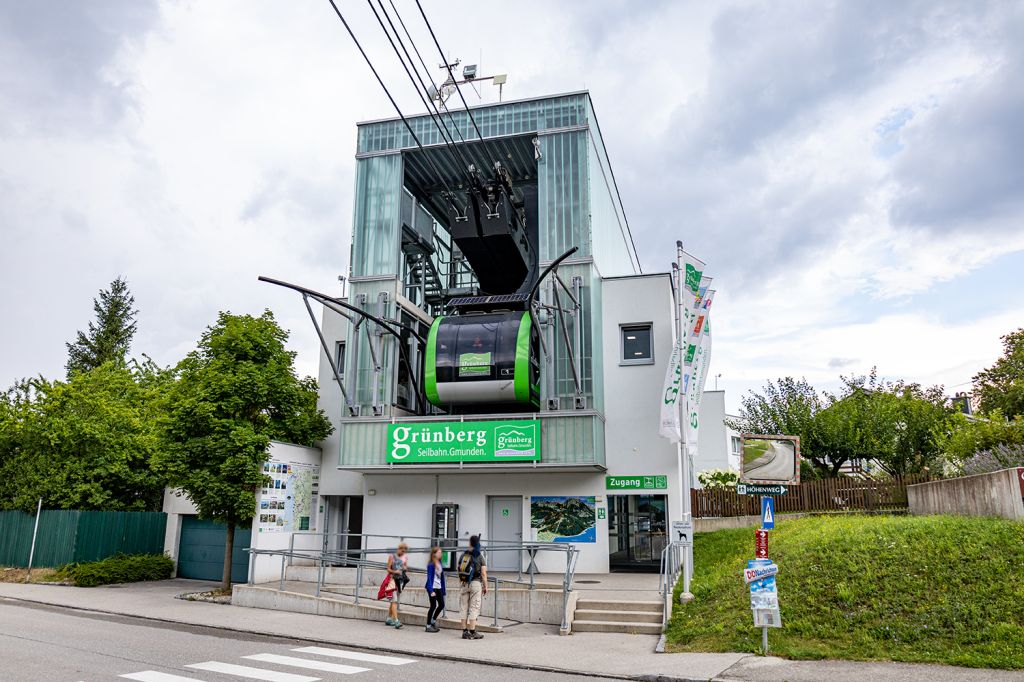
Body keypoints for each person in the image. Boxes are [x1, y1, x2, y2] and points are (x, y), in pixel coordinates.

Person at [457, 535, 487, 640]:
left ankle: (465, 632)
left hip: (464, 583)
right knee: (474, 607)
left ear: (470, 543)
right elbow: (483, 573)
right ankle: (473, 631)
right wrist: (485, 586)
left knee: (463, 607)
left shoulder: (463, 555)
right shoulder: (479, 555)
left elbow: (459, 569)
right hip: (476, 583)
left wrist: (461, 582)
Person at [385, 542, 409, 628]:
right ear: (399, 549)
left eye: (404, 551)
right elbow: (388, 569)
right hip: (392, 580)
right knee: (394, 600)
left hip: (400, 581)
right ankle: (396, 621)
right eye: (402, 551)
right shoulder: (392, 556)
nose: (403, 553)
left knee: (393, 601)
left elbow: (406, 567)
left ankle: (388, 618)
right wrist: (395, 571)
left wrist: (405, 568)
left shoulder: (405, 557)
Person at [424, 546, 446, 633]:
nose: (441, 554)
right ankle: (428, 625)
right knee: (433, 606)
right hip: (432, 587)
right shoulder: (431, 564)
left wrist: (443, 590)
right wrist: (431, 590)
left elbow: (441, 578)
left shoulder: (440, 563)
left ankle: (433, 620)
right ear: (434, 554)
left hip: (439, 587)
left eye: (441, 553)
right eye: (439, 553)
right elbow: (429, 578)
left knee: (441, 605)